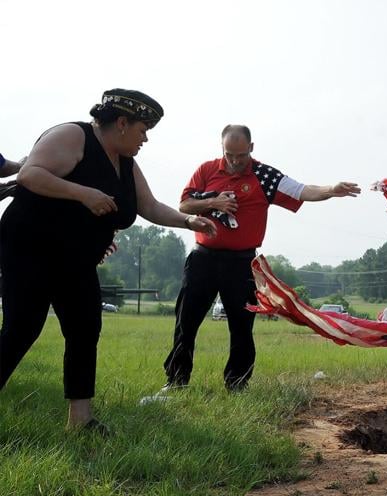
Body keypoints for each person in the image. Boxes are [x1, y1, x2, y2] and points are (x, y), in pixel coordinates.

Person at [0, 89, 216, 432]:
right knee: (22, 328)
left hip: (77, 259)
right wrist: (83, 193)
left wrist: (188, 220)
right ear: (121, 123)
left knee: (85, 328)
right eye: (143, 130)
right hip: (32, 250)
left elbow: (150, 206)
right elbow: (30, 175)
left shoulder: (125, 163)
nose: (145, 138)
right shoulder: (73, 136)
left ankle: (80, 420)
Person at [162, 124, 360, 392]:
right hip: (203, 259)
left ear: (251, 149)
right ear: (222, 148)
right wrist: (213, 203)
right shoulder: (207, 170)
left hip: (241, 263)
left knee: (242, 327)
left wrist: (331, 189)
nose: (233, 161)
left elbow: (301, 190)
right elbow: (184, 205)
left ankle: (237, 386)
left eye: (240, 155)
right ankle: (176, 383)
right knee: (186, 322)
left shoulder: (264, 175)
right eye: (229, 154)